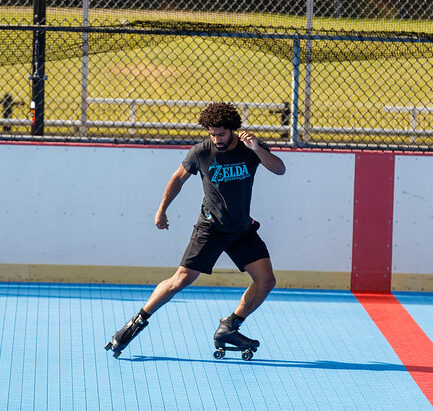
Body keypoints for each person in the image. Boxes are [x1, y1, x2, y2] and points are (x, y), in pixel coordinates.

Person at [105, 102, 286, 359]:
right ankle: (134, 324)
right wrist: (162, 209)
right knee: (181, 280)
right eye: (212, 134)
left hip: (241, 229)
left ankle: (230, 326)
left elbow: (280, 169)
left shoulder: (249, 149)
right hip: (210, 228)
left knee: (266, 281)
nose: (216, 139)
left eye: (221, 134)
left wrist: (257, 148)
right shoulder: (201, 152)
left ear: (232, 130)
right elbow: (177, 178)